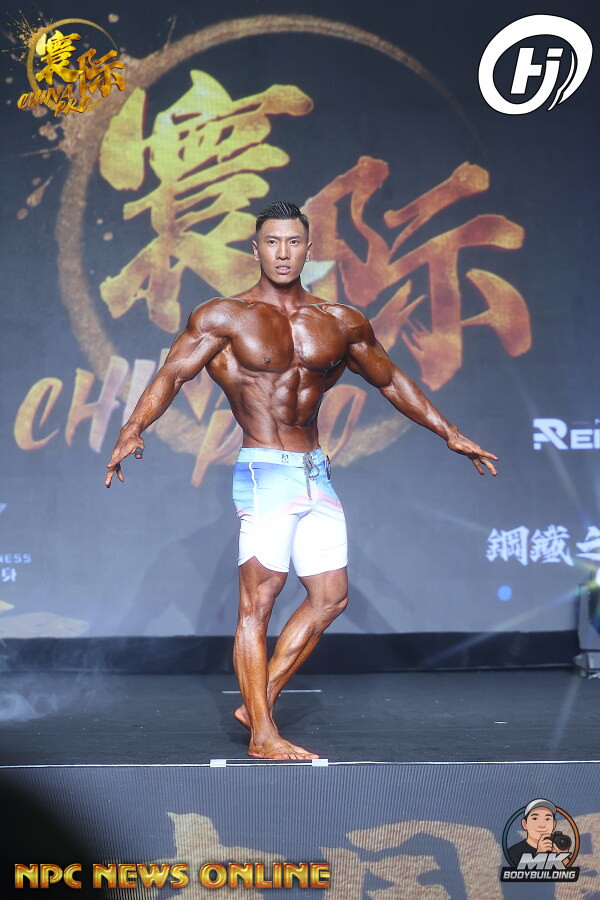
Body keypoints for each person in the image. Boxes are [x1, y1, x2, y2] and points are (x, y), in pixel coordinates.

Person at [105, 200, 498, 759]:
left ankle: (258, 701)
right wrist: (133, 428)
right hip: (265, 471)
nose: (283, 253)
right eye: (272, 242)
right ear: (256, 248)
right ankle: (263, 736)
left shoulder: (340, 321)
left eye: (293, 242)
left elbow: (390, 380)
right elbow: (173, 373)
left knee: (331, 597)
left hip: (316, 471)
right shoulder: (225, 316)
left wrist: (449, 432)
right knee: (258, 603)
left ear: (309, 250)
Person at [508, 800, 565, 866]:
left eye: (547, 819)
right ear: (524, 824)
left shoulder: (556, 848)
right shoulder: (514, 852)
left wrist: (563, 855)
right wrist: (540, 854)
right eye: (535, 818)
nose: (542, 825)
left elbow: (569, 870)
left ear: (554, 824)